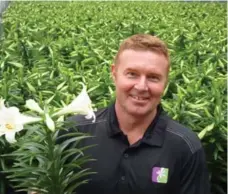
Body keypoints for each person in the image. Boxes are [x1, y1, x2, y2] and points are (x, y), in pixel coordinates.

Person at [69, 34, 211, 194]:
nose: (142, 86)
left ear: (166, 83)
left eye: (153, 77)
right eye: (132, 74)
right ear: (114, 73)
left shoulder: (185, 146)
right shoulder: (73, 132)